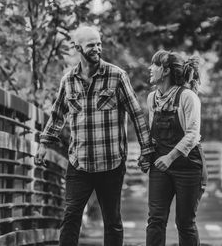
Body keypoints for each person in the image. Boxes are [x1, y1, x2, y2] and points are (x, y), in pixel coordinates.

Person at [35, 25, 154, 246]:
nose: (97, 48)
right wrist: (44, 142)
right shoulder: (68, 80)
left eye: (99, 43)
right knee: (70, 216)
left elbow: (136, 114)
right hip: (79, 163)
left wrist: (146, 150)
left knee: (112, 221)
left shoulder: (116, 76)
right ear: (78, 47)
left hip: (111, 163)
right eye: (91, 45)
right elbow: (57, 113)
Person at [146, 50, 207, 246]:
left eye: (154, 65)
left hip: (188, 167)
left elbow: (192, 135)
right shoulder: (152, 98)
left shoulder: (187, 97)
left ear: (165, 71)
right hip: (160, 166)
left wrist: (170, 157)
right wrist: (146, 155)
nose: (150, 68)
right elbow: (152, 135)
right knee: (155, 220)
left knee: (185, 222)